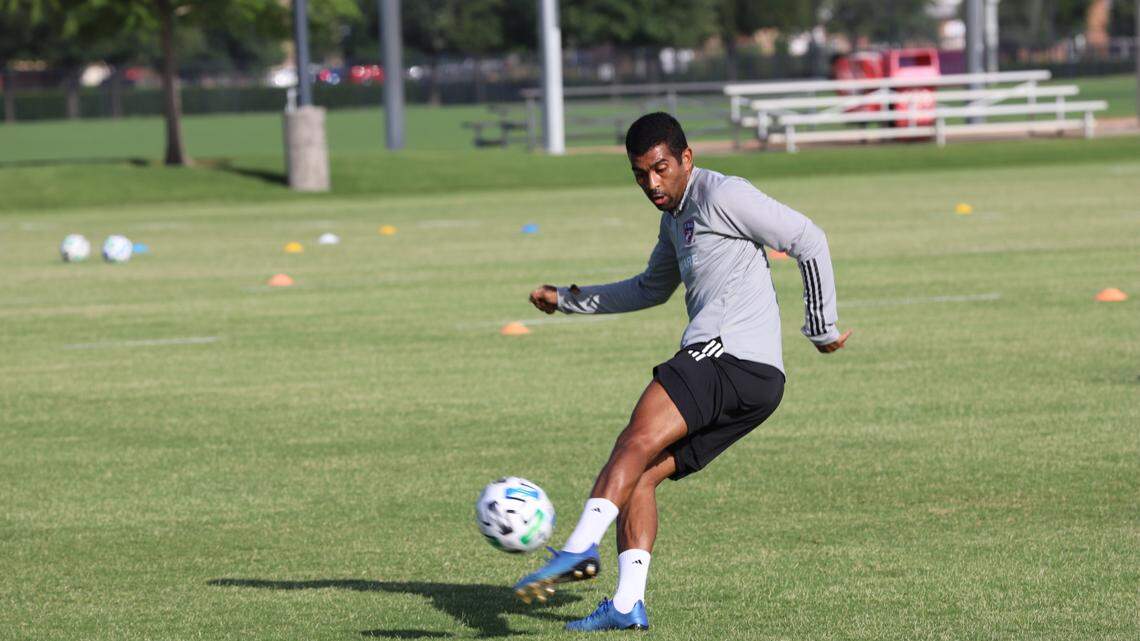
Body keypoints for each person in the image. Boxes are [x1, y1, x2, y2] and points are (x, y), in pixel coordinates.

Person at [516, 112, 851, 632]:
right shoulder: (675, 218)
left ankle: (581, 548)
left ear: (686, 159)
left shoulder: (722, 195)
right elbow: (650, 287)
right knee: (642, 476)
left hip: (726, 356)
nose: (652, 183)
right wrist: (567, 301)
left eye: (661, 168)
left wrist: (821, 326)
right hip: (756, 383)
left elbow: (808, 238)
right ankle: (628, 604)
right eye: (640, 174)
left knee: (633, 441)